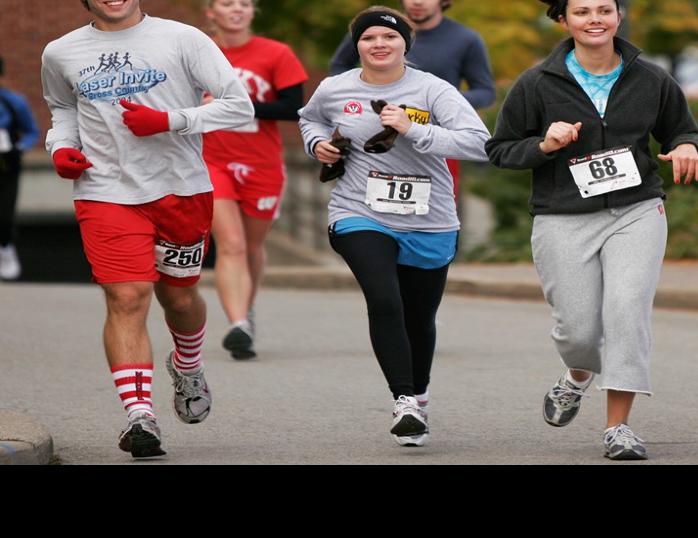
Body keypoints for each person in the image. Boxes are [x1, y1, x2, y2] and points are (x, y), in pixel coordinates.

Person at [486, 0, 698, 461]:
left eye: (604, 9)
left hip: (637, 210)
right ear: (563, 20)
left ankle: (618, 428)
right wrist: (545, 143)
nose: (595, 19)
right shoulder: (536, 83)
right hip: (562, 216)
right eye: (582, 11)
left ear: (619, 16)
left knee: (626, 310)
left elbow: (681, 129)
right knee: (578, 331)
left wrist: (686, 146)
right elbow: (501, 149)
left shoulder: (651, 78)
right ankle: (577, 376)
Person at [41, 0, 254, 458]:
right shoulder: (61, 51)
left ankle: (188, 365)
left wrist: (170, 121)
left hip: (181, 190)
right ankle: (140, 415)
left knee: (178, 297)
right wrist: (61, 147)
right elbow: (63, 110)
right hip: (104, 191)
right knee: (126, 296)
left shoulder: (183, 39)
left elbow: (240, 107)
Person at [299, 6, 489, 447]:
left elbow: (479, 142)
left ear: (406, 43)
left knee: (419, 318)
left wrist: (414, 130)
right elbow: (310, 118)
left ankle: (419, 396)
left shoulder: (432, 89)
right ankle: (403, 401)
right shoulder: (335, 88)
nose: (379, 45)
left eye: (389, 38)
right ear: (357, 46)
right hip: (358, 211)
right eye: (368, 39)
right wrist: (318, 145)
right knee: (384, 299)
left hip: (430, 220)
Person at [202, 0, 309, 360]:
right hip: (211, 161)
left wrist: (235, 104)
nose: (237, 9)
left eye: (244, 3)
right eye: (227, 3)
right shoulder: (198, 52)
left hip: (261, 163)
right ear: (210, 12)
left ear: (253, 12)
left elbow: (294, 108)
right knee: (229, 244)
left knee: (250, 247)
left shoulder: (275, 53)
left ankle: (246, 309)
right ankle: (237, 324)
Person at [329, 0, 495, 197]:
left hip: (433, 137)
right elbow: (338, 68)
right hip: (372, 134)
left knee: (434, 206)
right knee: (361, 205)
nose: (417, 1)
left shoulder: (466, 39)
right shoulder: (373, 29)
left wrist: (438, 101)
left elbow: (485, 92)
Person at [0, 55, 40, 281]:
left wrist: (18, 147)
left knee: (4, 215)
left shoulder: (14, 102)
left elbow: (32, 132)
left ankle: (5, 247)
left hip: (7, 166)